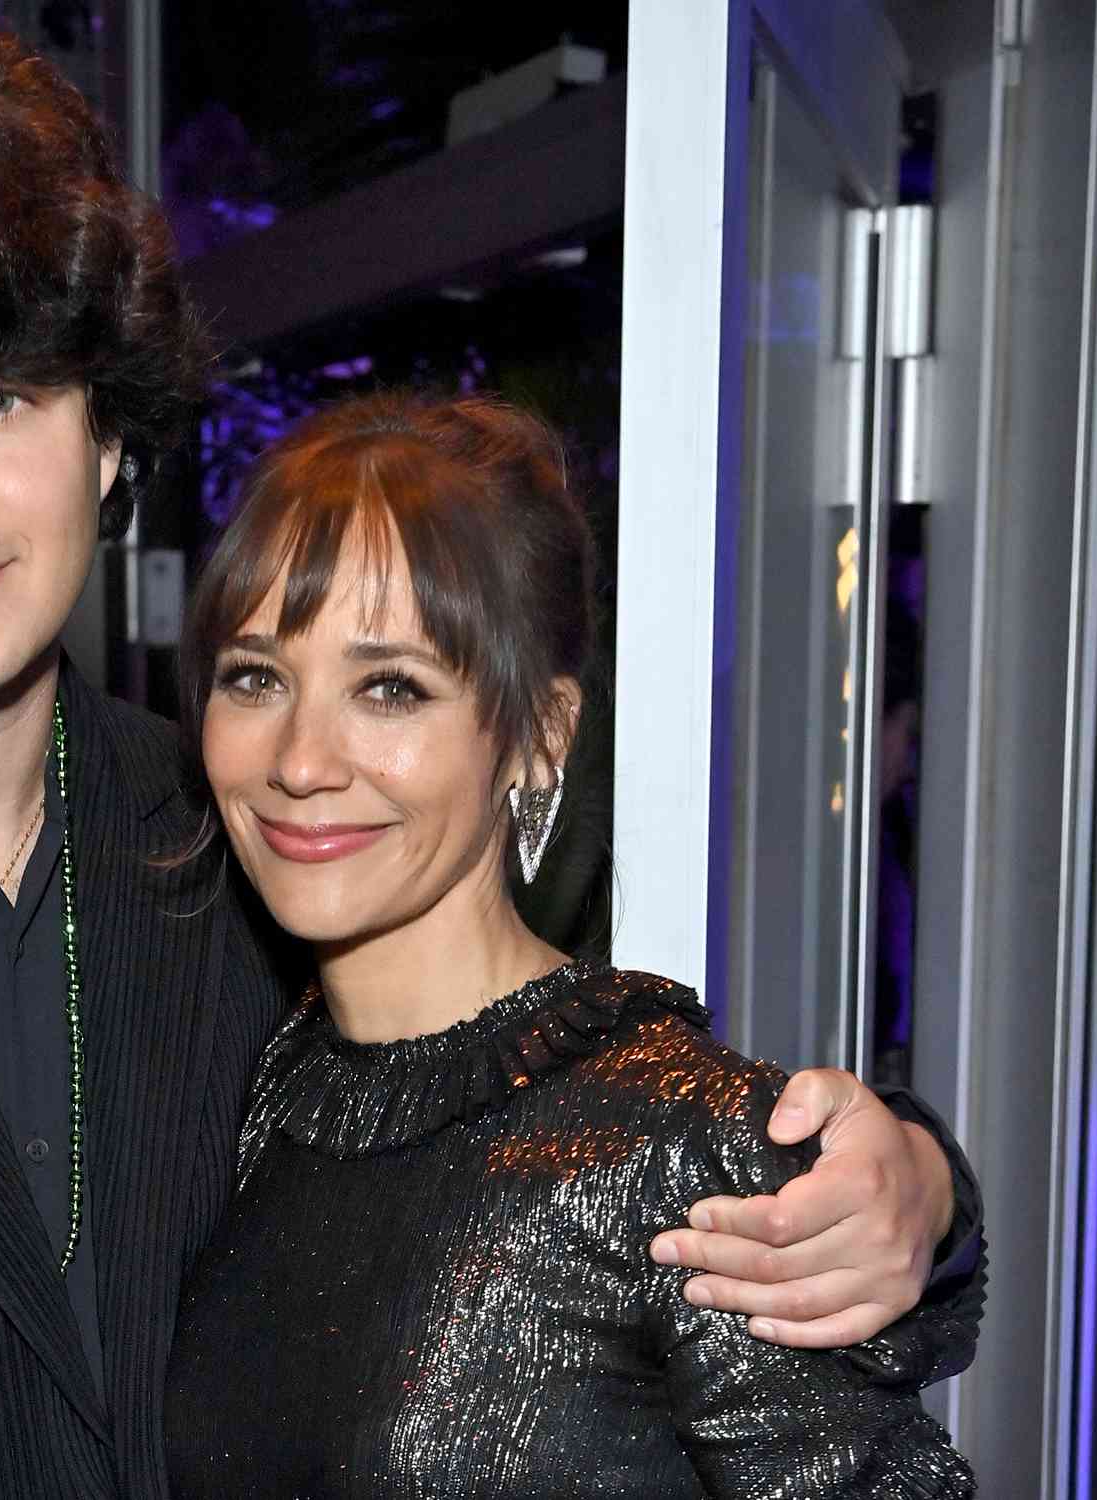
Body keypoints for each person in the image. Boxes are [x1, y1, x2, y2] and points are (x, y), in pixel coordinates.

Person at [0, 30, 976, 1498]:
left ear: (109, 443)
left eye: (3, 397)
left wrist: (909, 1186)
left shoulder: (253, 845)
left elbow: (534, 1137)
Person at [162, 393, 980, 1496]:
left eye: (389, 688)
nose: (301, 760)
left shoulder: (686, 1155)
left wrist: (925, 1183)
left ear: (537, 736)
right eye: (255, 677)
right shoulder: (257, 1098)